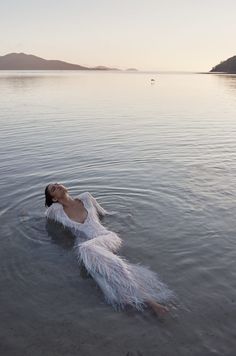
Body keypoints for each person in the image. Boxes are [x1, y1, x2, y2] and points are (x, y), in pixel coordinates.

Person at [44, 183, 173, 317]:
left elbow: (104, 213)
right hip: (88, 249)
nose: (58, 186)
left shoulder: (86, 197)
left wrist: (125, 217)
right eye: (54, 188)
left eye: (57, 184)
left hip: (106, 237)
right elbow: (43, 218)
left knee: (87, 250)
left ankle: (147, 301)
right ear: (54, 199)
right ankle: (142, 301)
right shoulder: (55, 211)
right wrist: (26, 217)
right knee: (105, 272)